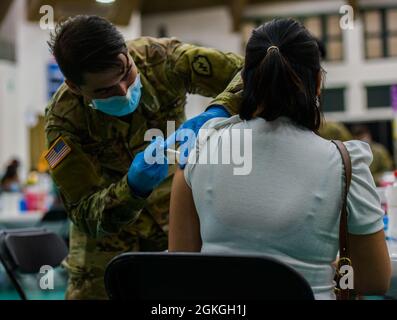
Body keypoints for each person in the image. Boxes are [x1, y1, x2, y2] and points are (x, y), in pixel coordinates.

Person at [169, 18, 391, 299]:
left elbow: (180, 269)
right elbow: (375, 279)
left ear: (245, 81)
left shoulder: (200, 149)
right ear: (319, 82)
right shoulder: (345, 164)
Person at [44, 15, 243, 299]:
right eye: (105, 90)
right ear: (75, 87)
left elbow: (256, 73)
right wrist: (132, 188)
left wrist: (220, 110)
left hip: (173, 221)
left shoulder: (160, 59)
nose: (123, 91)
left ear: (126, 52)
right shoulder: (64, 123)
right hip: (106, 245)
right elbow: (84, 214)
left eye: (126, 73)